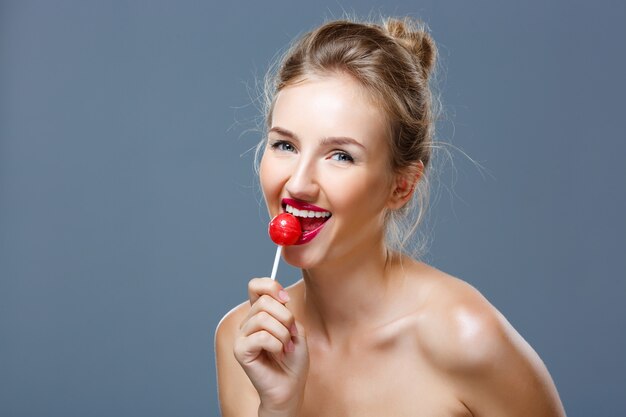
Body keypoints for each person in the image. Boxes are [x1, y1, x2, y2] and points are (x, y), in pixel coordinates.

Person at [215, 15, 566, 417]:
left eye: (341, 155)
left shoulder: (465, 337)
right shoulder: (246, 341)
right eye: (284, 145)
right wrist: (278, 407)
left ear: (401, 186)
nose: (297, 184)